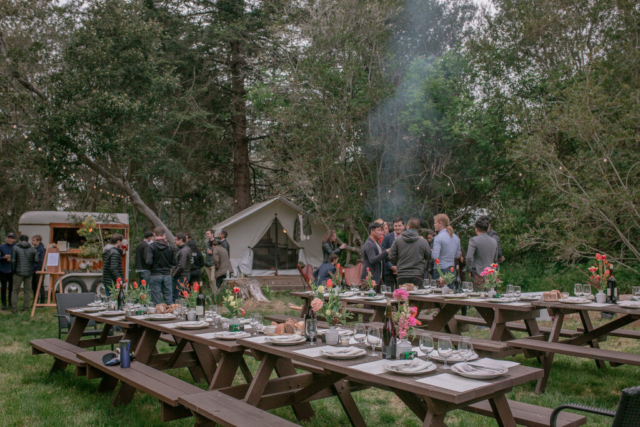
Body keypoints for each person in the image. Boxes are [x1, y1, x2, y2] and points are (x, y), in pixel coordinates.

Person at [389, 218, 431, 289]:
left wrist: (399, 263)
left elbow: (391, 256)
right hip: (417, 274)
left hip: (402, 274)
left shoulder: (398, 240)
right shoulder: (423, 241)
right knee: (416, 298)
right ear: (418, 228)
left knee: (402, 298)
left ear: (407, 227)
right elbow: (428, 256)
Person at [431, 214, 461, 290]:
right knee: (450, 294)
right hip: (451, 269)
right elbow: (457, 255)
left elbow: (435, 256)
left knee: (438, 295)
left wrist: (431, 252)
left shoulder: (438, 238)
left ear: (440, 223)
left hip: (440, 270)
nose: (434, 225)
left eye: (435, 223)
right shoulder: (456, 237)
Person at [146, 227, 175, 304]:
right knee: (168, 297)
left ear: (154, 234)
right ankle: (170, 313)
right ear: (163, 235)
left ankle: (157, 313)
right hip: (167, 274)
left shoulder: (151, 246)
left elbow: (148, 262)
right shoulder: (169, 247)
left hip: (155, 274)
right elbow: (174, 262)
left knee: (156, 299)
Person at [10, 235, 39, 313]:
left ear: (19, 240)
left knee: (15, 291)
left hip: (18, 272)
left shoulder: (15, 248)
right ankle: (25, 308)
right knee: (27, 291)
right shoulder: (32, 249)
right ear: (27, 240)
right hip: (29, 273)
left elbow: (12, 261)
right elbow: (37, 260)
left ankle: (14, 309)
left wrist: (13, 271)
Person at [466, 216, 498, 281]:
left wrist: (469, 269)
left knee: (477, 291)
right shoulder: (494, 241)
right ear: (487, 229)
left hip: (477, 274)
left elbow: (469, 257)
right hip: (490, 276)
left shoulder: (473, 240)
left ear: (476, 229)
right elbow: (495, 258)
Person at [359, 222, 389, 290]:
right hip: (370, 280)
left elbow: (382, 258)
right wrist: (386, 252)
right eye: (379, 230)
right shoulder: (369, 244)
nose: (381, 233)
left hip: (378, 279)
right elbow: (372, 260)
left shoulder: (377, 243)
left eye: (381, 230)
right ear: (372, 231)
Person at [381, 217, 403, 289]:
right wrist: (391, 266)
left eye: (399, 225)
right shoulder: (387, 237)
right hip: (389, 270)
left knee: (402, 293)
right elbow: (383, 253)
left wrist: (399, 268)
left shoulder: (406, 237)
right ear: (393, 226)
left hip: (403, 270)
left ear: (403, 226)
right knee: (388, 294)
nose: (397, 228)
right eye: (395, 226)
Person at [172, 233, 192, 302]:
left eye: (176, 240)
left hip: (181, 276)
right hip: (183, 275)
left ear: (180, 240)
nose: (174, 241)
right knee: (182, 296)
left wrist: (174, 274)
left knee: (179, 297)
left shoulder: (184, 250)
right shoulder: (184, 249)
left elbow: (181, 266)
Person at [0, 232, 17, 310]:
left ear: (14, 239)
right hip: (3, 270)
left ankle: (10, 303)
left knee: (11, 288)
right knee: (3, 287)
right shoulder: (2, 247)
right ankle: (4, 303)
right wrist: (3, 257)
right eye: (8, 238)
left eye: (11, 238)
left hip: (12, 270)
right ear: (6, 238)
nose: (9, 239)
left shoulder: (16, 247)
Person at [31, 235, 46, 303]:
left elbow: (42, 260)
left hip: (39, 270)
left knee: (40, 286)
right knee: (34, 286)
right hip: (34, 270)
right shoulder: (34, 248)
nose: (32, 242)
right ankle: (35, 301)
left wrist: (38, 268)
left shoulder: (42, 249)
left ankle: (42, 301)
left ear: (38, 241)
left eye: (33, 240)